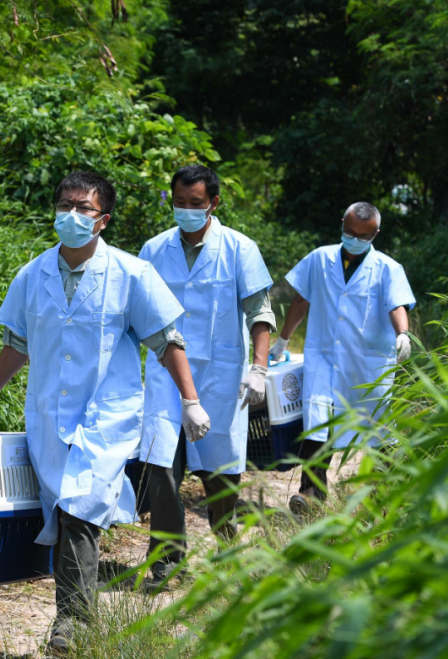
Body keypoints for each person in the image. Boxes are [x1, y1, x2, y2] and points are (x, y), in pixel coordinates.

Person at [0, 171, 210, 654]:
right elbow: (17, 345)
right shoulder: (33, 274)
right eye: (64, 205)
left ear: (103, 220)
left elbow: (165, 341)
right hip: (49, 415)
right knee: (66, 510)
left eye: (83, 208)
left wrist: (190, 399)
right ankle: (79, 617)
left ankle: (71, 624)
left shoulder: (131, 274)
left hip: (107, 415)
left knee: (77, 508)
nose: (71, 216)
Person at [137, 164, 275, 586]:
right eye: (179, 203)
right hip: (165, 377)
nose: (186, 210)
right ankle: (165, 561)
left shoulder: (239, 248)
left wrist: (259, 367)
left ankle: (227, 541)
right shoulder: (154, 249)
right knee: (161, 467)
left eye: (195, 204)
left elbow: (260, 312)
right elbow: (136, 310)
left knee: (221, 473)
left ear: (213, 203)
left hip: (219, 376)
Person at [272, 201, 415, 515]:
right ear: (342, 224)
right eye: (349, 232)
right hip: (323, 356)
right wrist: (282, 340)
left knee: (376, 427)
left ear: (375, 234)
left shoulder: (388, 269)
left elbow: (397, 305)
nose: (355, 239)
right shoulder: (319, 259)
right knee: (317, 423)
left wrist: (402, 333)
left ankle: (381, 494)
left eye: (363, 236)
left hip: (367, 363)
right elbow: (300, 300)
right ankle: (309, 495)